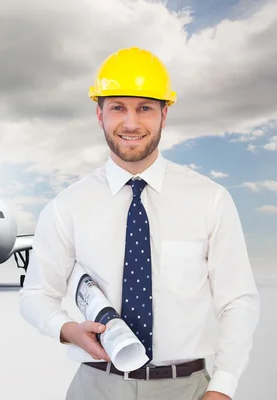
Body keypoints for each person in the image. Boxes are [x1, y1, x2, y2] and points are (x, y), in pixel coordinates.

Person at [19, 47, 260, 400]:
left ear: (165, 113)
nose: (131, 123)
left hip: (188, 388)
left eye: (144, 108)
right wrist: (67, 329)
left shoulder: (210, 200)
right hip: (95, 385)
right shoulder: (66, 206)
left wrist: (223, 387)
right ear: (99, 114)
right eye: (118, 107)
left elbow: (237, 301)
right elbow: (37, 294)